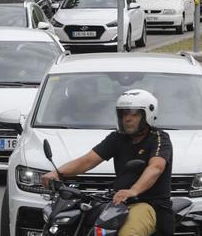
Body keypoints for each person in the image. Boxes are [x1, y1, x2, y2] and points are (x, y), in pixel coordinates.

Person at [42, 89, 173, 236]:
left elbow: (156, 167)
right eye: (124, 114)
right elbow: (87, 161)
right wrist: (58, 172)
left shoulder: (159, 138)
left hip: (149, 204)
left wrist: (133, 190)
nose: (127, 119)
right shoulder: (117, 138)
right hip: (118, 203)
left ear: (147, 115)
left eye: (134, 114)